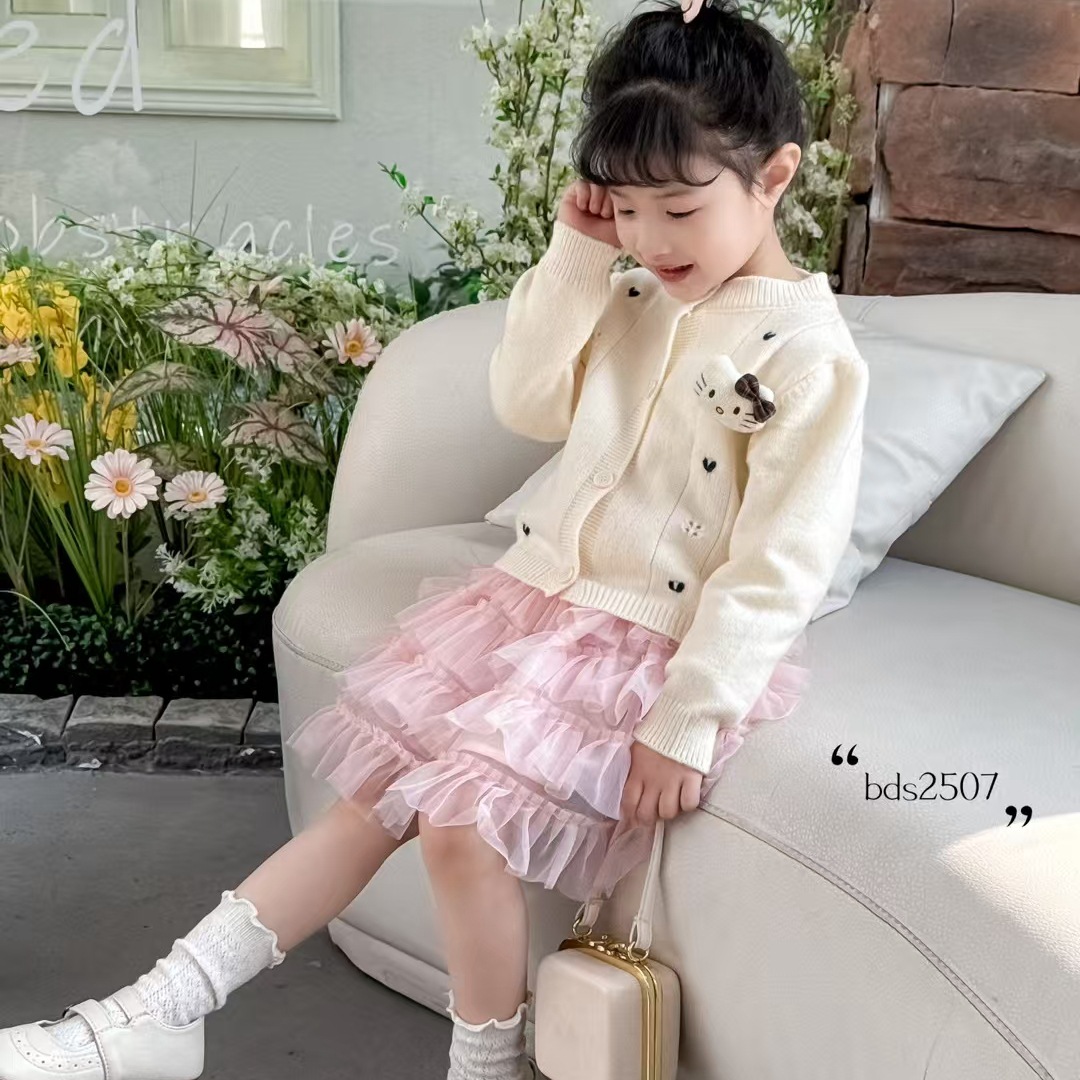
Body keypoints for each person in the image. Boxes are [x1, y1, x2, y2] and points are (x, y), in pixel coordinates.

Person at [0, 2, 868, 1078]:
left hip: (641, 645)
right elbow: (528, 400)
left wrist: (687, 719)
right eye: (627, 206)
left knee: (458, 821)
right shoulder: (632, 285)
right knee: (371, 792)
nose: (651, 238)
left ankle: (483, 1065)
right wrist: (576, 252)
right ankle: (153, 1015)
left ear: (775, 176)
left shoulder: (811, 356)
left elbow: (782, 561)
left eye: (680, 209)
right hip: (532, 598)